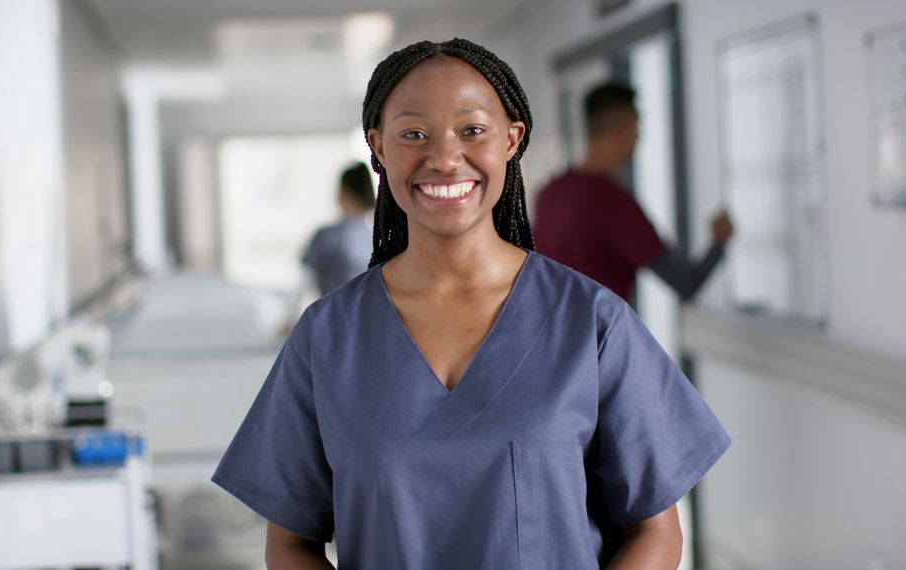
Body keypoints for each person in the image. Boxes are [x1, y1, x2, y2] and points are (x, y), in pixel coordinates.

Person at [212, 39, 730, 569]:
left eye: (472, 130)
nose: (443, 158)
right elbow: (290, 543)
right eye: (414, 134)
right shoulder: (328, 336)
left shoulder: (593, 322)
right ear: (379, 146)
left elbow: (656, 534)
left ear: (512, 139)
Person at [533, 82, 734, 304]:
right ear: (622, 129)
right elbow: (686, 283)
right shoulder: (613, 204)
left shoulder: (548, 195)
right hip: (599, 337)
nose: (638, 139)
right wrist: (719, 241)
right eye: (637, 129)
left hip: (549, 336)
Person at [301, 163, 376, 296]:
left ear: (344, 191)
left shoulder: (326, 237)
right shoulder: (377, 239)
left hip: (331, 314)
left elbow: (304, 283)